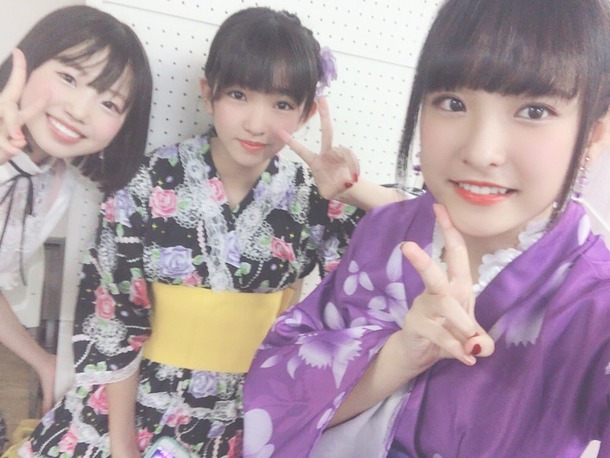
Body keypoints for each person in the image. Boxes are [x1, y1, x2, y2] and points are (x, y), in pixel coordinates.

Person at [20, 7, 400, 457]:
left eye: (281, 104)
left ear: (306, 113)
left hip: (247, 413)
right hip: (132, 408)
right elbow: (114, 321)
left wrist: (355, 190)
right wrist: (123, 446)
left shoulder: (314, 198)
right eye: (238, 95)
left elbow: (423, 232)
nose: (256, 123)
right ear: (208, 93)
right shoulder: (146, 182)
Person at [242, 0, 610, 456]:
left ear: (593, 135)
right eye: (452, 102)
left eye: (534, 111)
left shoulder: (596, 304)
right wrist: (399, 356)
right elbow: (273, 393)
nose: (480, 151)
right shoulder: (383, 232)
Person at [0, 3, 152, 453]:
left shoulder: (55, 184)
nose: (80, 109)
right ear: (28, 61)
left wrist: (43, 362)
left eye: (109, 102)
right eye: (69, 77)